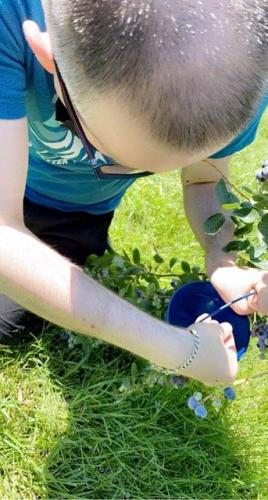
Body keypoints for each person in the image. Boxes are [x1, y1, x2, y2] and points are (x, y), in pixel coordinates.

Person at [0, 0, 267, 386]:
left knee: (11, 322)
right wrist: (180, 350)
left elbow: (202, 181)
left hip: (73, 215)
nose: (110, 169)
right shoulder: (11, 17)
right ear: (47, 53)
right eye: (99, 147)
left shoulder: (238, 73)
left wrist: (221, 259)